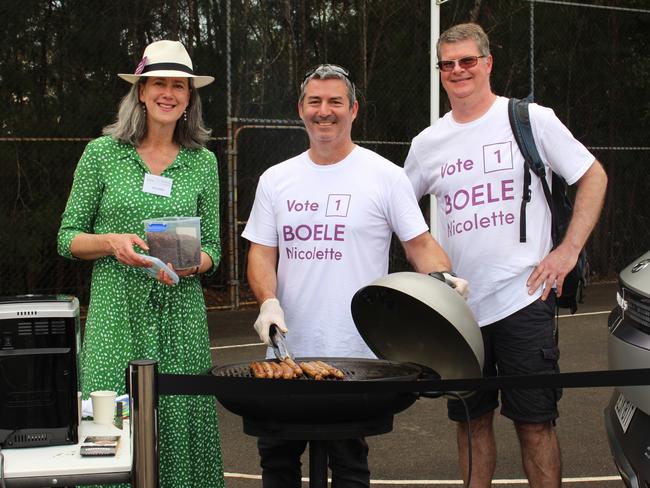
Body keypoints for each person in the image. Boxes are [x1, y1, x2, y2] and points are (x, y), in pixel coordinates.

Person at [241, 63, 468, 488]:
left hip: (356, 358)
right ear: (300, 109)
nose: (324, 112)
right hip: (287, 353)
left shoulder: (385, 176)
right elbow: (261, 253)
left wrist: (445, 279)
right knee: (278, 464)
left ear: (353, 110)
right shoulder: (276, 179)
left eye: (335, 102)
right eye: (315, 102)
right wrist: (267, 300)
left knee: (348, 466)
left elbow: (419, 244)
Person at [404, 23, 608, 488]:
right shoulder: (427, 144)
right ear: (440, 71)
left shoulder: (531, 118)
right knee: (471, 423)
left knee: (535, 424)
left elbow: (593, 176)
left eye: (467, 61)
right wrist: (426, 277)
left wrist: (566, 252)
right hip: (459, 312)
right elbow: (400, 217)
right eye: (447, 64)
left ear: (487, 63)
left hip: (525, 300)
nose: (458, 71)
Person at [57, 40, 224, 488]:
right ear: (142, 92)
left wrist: (193, 263)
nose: (168, 93)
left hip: (180, 313)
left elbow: (215, 249)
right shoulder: (103, 154)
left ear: (190, 98)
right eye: (159, 84)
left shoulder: (202, 162)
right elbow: (67, 237)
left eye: (179, 86)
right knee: (113, 423)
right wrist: (111, 243)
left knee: (178, 417)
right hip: (118, 312)